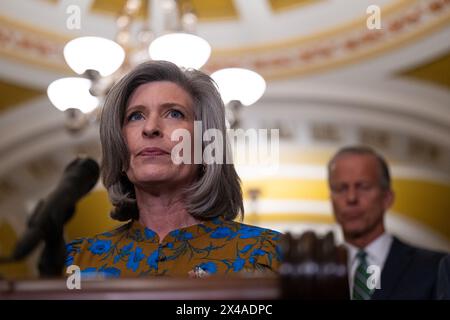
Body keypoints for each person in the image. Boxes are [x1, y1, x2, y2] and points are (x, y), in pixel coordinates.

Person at [65, 61, 281, 278]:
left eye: (174, 114)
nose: (150, 128)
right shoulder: (76, 262)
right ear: (119, 147)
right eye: (135, 116)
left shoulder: (269, 255)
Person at [327, 146, 446, 299]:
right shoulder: (312, 274)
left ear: (387, 198)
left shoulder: (435, 269)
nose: (351, 198)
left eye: (363, 186)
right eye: (341, 188)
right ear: (331, 200)